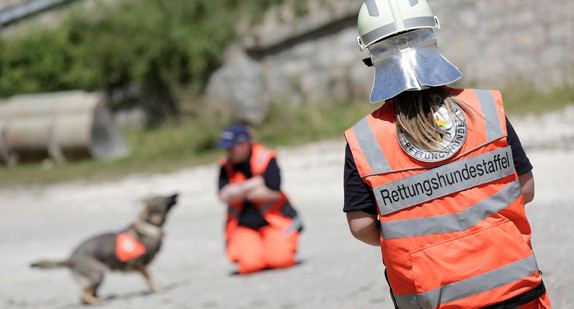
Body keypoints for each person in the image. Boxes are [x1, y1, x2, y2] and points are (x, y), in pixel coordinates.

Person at [343, 0, 551, 308]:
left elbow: (362, 227)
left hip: (431, 296)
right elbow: (526, 189)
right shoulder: (486, 108)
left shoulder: (364, 139)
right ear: (432, 38)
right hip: (513, 286)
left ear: (371, 56)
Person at [217, 124, 303, 275]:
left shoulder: (266, 157)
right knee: (250, 267)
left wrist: (238, 191)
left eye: (231, 147)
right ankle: (259, 251)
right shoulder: (225, 165)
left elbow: (273, 192)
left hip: (275, 222)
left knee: (282, 261)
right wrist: (255, 183)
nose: (228, 152)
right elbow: (223, 196)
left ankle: (269, 250)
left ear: (244, 144)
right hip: (243, 225)